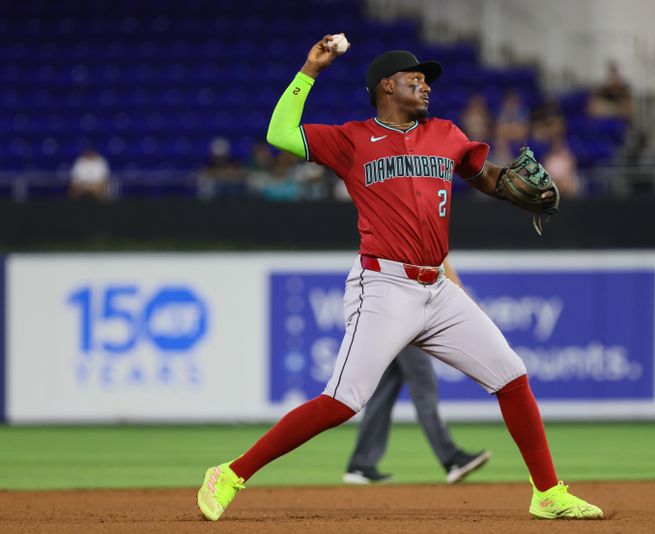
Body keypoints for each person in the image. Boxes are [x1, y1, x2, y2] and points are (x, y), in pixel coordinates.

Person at [196, 35, 603, 522]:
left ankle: (548, 492)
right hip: (384, 287)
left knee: (512, 378)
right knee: (342, 402)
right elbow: (281, 133)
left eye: (427, 79)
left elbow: (488, 175)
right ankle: (231, 473)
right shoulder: (351, 140)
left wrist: (515, 190)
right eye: (416, 78)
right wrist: (310, 69)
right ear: (388, 85)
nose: (426, 85)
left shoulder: (447, 134)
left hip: (436, 288)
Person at [344, 259, 491, 486]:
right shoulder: (421, 229)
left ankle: (360, 464)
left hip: (391, 306)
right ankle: (451, 458)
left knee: (386, 386)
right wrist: (466, 301)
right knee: (423, 384)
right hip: (405, 308)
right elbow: (438, 262)